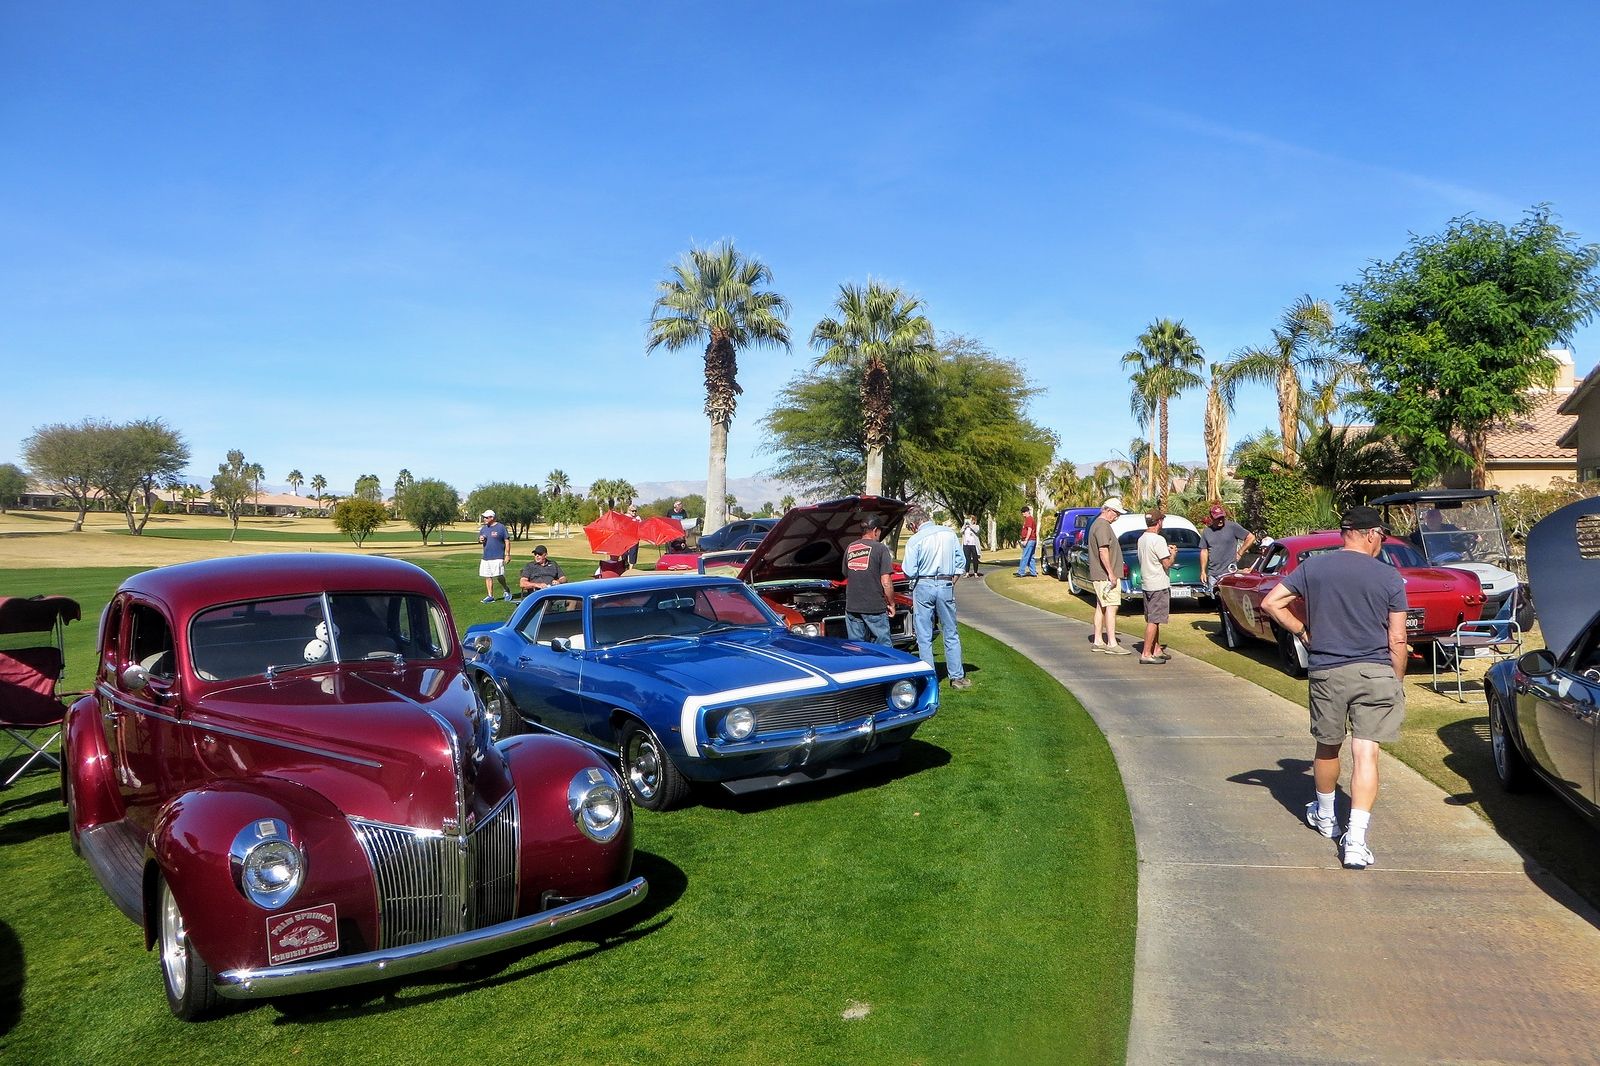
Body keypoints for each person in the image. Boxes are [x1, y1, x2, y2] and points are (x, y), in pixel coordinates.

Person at [1260, 504, 1408, 870]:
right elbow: (1398, 638)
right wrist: (1396, 680)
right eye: (1381, 536)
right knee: (1366, 752)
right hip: (1375, 672)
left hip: (1327, 670)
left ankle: (1326, 817)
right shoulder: (1389, 577)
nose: (1381, 543)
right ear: (1371, 534)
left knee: (1328, 746)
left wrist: (1303, 632)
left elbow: (1271, 602)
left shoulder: (1313, 567)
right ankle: (1355, 841)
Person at [901, 507, 971, 688]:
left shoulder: (915, 540)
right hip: (945, 583)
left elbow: (909, 570)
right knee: (951, 631)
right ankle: (956, 677)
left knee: (924, 635)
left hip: (923, 585)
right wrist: (950, 582)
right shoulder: (949, 533)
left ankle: (930, 677)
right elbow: (960, 563)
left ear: (914, 524)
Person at [1086, 497, 1131, 654]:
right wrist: (1111, 574)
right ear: (1108, 510)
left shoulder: (1097, 525)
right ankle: (1112, 644)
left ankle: (1098, 640)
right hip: (1105, 576)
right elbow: (1103, 551)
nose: (1117, 517)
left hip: (1101, 575)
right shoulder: (1102, 526)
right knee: (1112, 606)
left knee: (1101, 606)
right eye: (1116, 513)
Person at [842, 515, 896, 646]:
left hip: (853, 607)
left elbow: (845, 573)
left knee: (856, 648)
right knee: (883, 648)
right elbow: (886, 581)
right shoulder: (880, 548)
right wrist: (892, 603)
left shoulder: (850, 548)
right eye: (880, 531)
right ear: (875, 530)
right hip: (874, 607)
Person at [1136, 510, 1177, 664]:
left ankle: (1156, 649)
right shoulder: (1158, 540)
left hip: (1147, 583)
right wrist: (1172, 553)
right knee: (1154, 620)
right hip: (1158, 585)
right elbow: (1167, 563)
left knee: (1155, 618)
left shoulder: (1142, 539)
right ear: (1159, 522)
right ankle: (1146, 654)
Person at [1199, 504, 1257, 588]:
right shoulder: (1207, 532)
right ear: (1211, 518)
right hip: (1213, 575)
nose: (1220, 520)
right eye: (1217, 518)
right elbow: (1204, 551)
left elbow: (1251, 537)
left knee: (1227, 599)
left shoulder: (1232, 527)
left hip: (1229, 573)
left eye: (1222, 517)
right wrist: (1203, 571)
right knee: (1214, 600)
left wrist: (1240, 553)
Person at [478, 510, 514, 603]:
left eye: (486, 517)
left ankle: (506, 590)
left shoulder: (501, 527)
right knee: (487, 576)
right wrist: (481, 539)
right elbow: (480, 539)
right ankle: (490, 596)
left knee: (499, 575)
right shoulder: (484, 529)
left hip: (498, 556)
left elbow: (507, 541)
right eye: (484, 517)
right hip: (486, 556)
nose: (484, 519)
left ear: (492, 518)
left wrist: (507, 554)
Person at [1015, 506, 1039, 577]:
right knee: (1031, 557)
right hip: (1033, 540)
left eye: (1023, 513)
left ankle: (1021, 572)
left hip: (1030, 540)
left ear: (1026, 512)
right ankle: (1033, 572)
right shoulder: (1031, 519)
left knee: (1025, 556)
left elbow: (1029, 529)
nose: (1023, 515)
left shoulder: (1029, 519)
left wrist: (1026, 540)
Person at [623, 505, 642, 569]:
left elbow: (641, 526)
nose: (634, 512)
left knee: (633, 553)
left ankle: (631, 569)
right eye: (632, 511)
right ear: (629, 511)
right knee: (624, 553)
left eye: (635, 511)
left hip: (635, 537)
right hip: (626, 537)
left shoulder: (638, 518)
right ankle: (625, 565)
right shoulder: (625, 516)